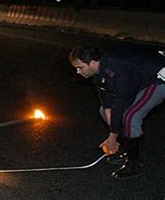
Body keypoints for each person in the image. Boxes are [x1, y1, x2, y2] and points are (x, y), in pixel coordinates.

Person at [69, 45, 165, 179]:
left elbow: (121, 102)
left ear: (92, 63)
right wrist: (112, 130)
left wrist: (112, 136)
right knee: (104, 111)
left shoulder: (119, 70)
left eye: (80, 67)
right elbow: (105, 96)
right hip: (138, 76)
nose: (78, 72)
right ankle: (124, 149)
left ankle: (134, 163)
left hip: (158, 76)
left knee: (131, 116)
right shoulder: (99, 68)